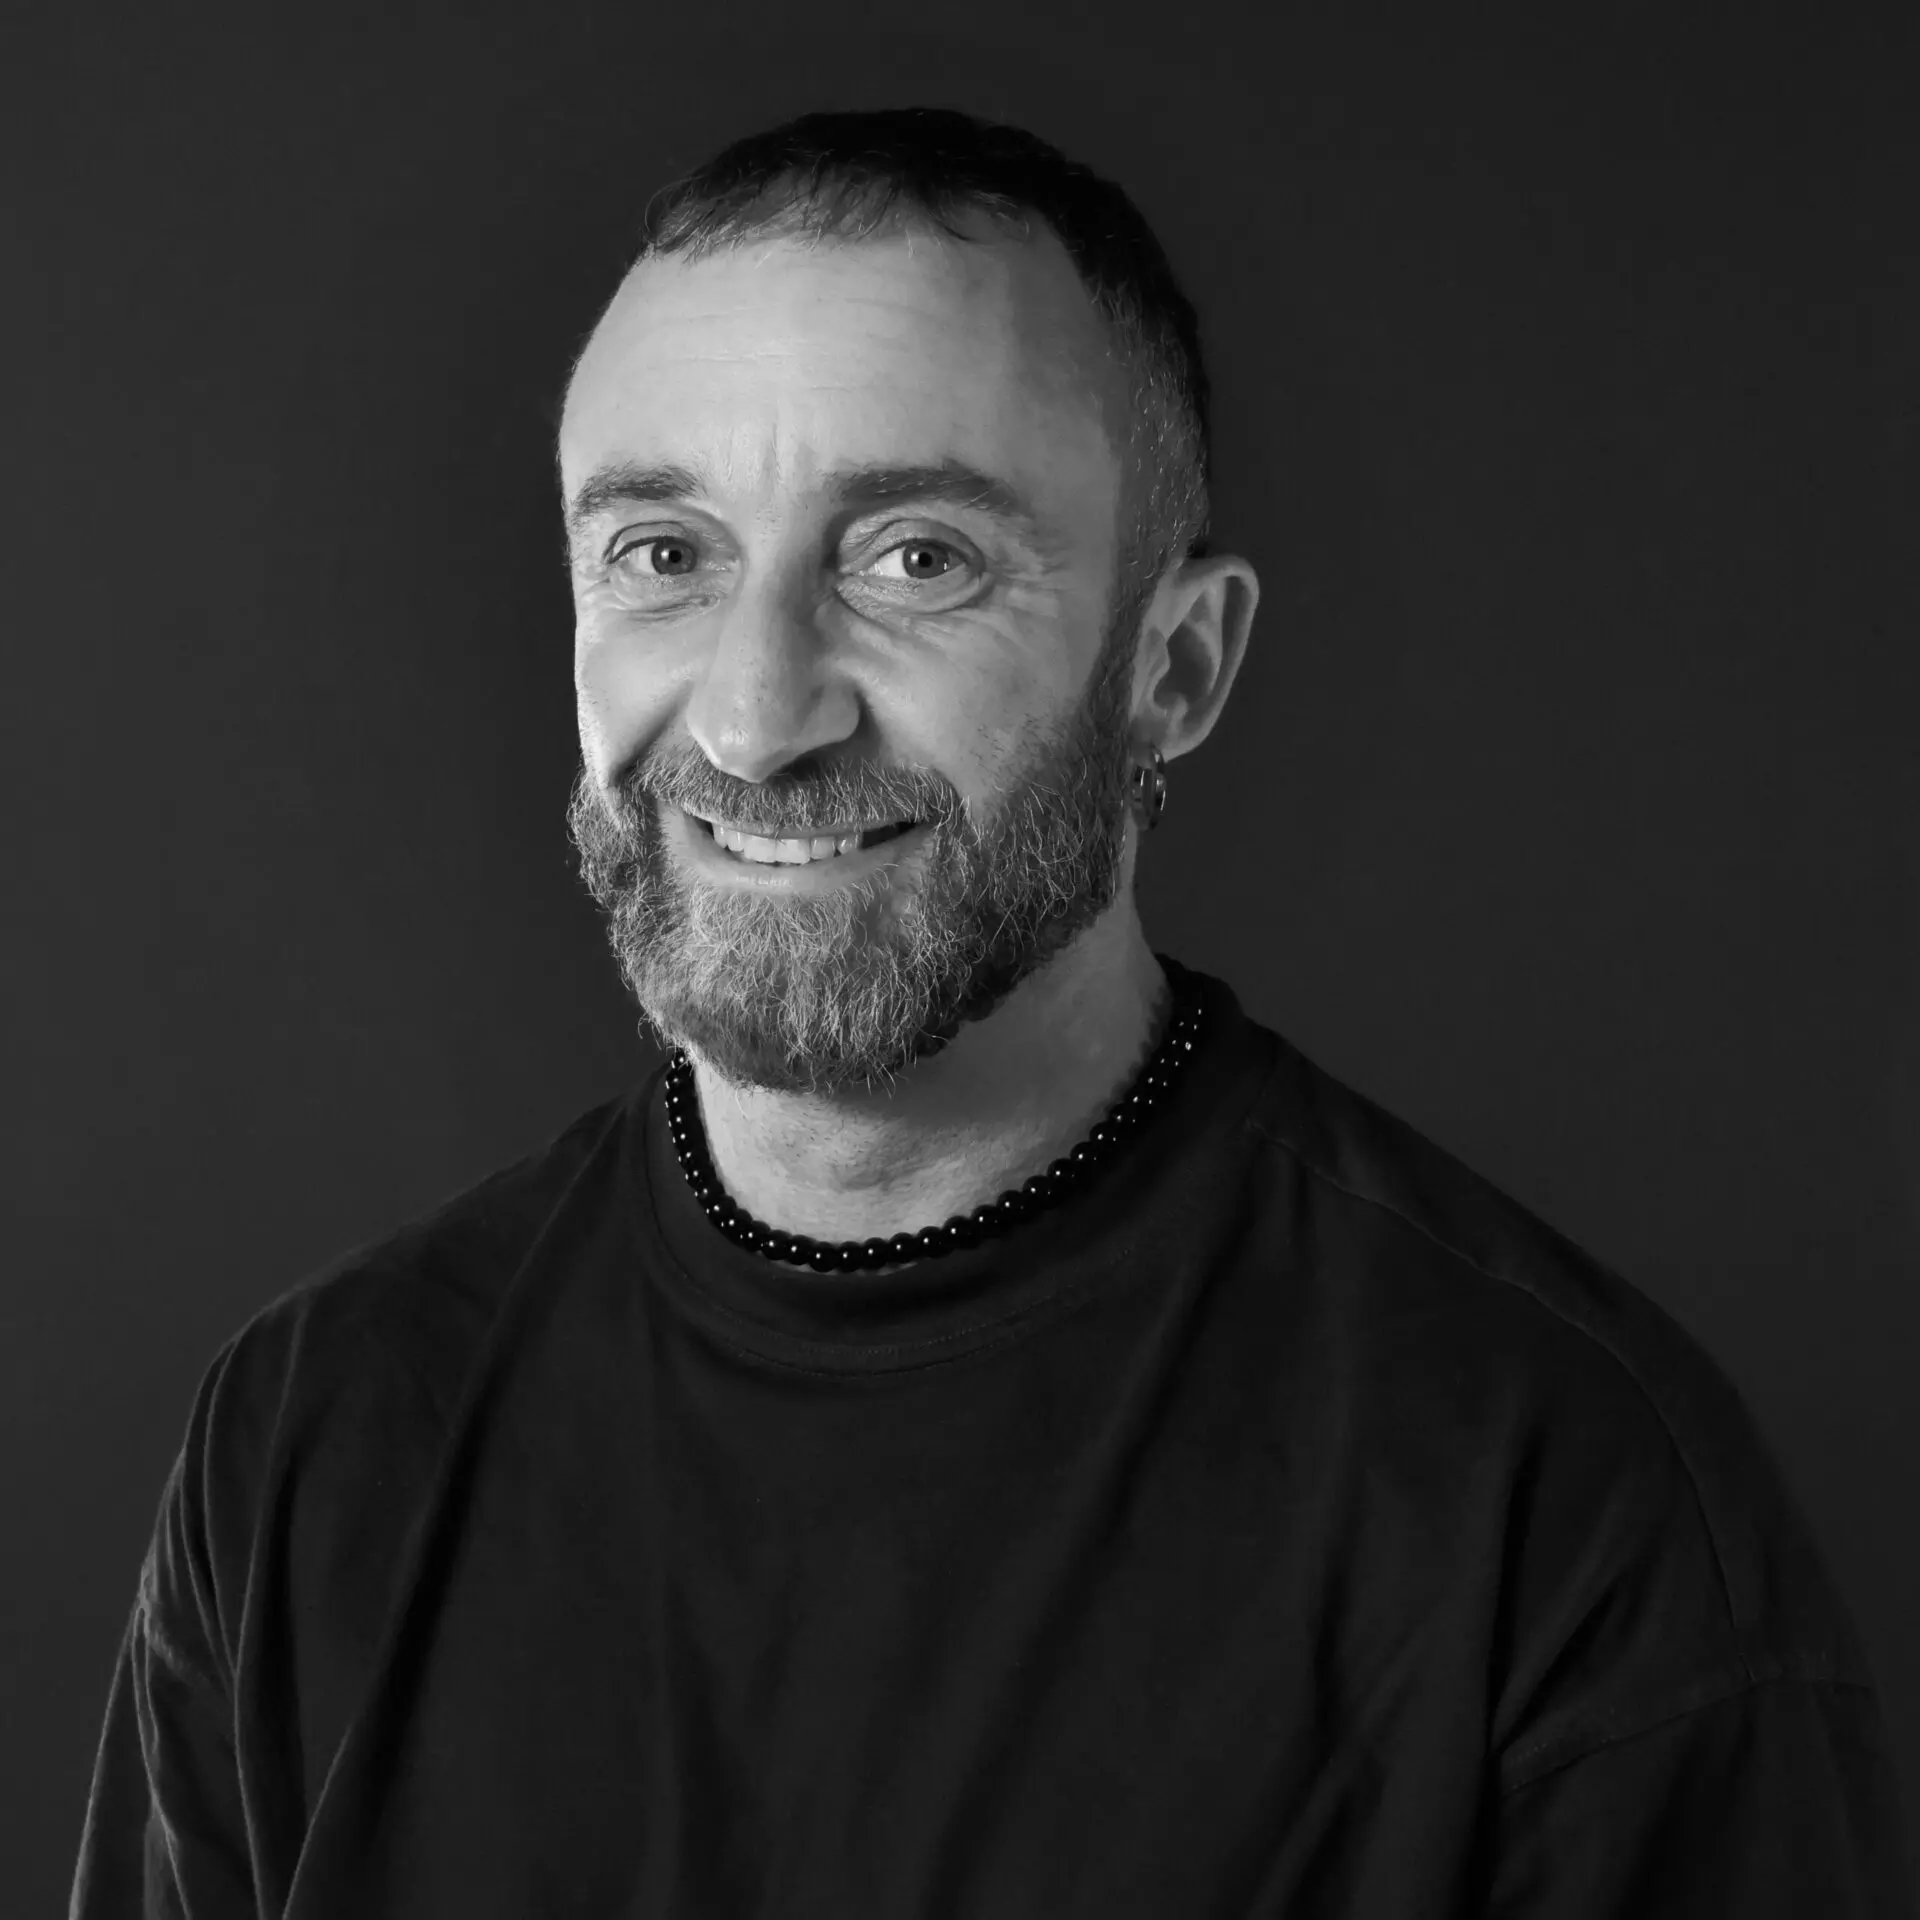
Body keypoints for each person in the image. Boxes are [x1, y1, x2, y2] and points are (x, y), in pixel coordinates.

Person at [71, 106, 1913, 1917]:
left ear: (1175, 666)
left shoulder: (1560, 1497)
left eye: (917, 559)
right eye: (663, 555)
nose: (754, 718)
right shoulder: (313, 1435)